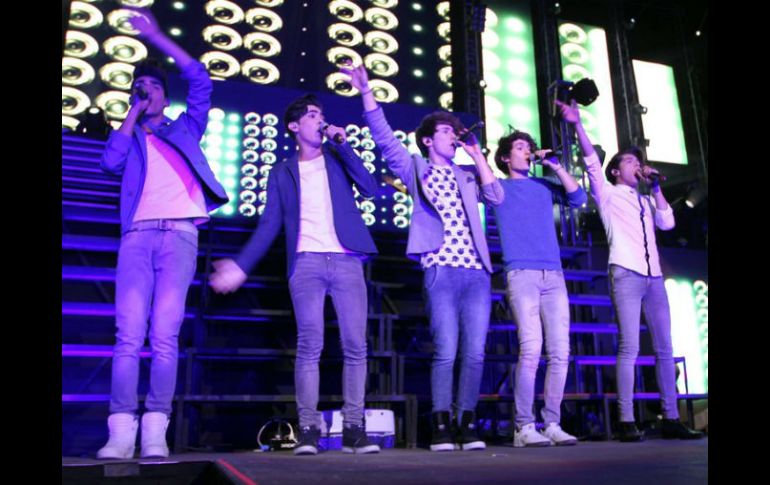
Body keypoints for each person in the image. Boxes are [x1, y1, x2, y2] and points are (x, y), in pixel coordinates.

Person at [341, 62, 503, 451]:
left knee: (475, 353)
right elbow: (383, 138)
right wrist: (366, 92)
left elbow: (496, 197)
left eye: (453, 131)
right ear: (428, 140)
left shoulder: (467, 174)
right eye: (446, 131)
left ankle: (466, 422)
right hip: (441, 269)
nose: (452, 136)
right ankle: (441, 424)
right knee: (446, 350)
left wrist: (477, 154)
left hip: (477, 272)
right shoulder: (416, 168)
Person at [208, 93, 381, 455]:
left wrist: (343, 144)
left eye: (321, 115)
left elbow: (369, 187)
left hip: (347, 259)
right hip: (305, 263)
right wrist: (241, 266)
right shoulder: (282, 171)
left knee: (355, 345)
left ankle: (354, 428)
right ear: (294, 125)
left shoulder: (337, 157)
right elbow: (270, 223)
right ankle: (308, 430)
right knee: (309, 344)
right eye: (313, 115)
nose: (320, 120)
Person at [97, 8, 228, 459]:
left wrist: (157, 38)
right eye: (140, 86)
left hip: (179, 236)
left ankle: (156, 427)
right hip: (137, 236)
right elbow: (109, 163)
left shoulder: (185, 128)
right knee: (128, 336)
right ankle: (120, 431)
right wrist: (132, 113)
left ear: (165, 97)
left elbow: (201, 80)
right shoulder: (129, 137)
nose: (146, 90)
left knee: (165, 336)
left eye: (153, 86)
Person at [557, 99, 703, 442]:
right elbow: (591, 161)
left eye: (639, 161)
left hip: (654, 278)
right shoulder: (607, 192)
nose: (637, 165)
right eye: (629, 161)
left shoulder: (647, 199)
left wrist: (656, 187)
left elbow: (667, 223)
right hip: (625, 273)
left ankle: (670, 416)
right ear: (615, 171)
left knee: (665, 348)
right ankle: (625, 418)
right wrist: (577, 124)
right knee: (629, 347)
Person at [491, 128, 586, 447]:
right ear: (506, 157)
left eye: (528, 147)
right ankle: (523, 426)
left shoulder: (544, 185)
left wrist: (556, 165)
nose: (527, 152)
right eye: (520, 147)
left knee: (560, 352)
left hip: (553, 274)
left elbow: (579, 198)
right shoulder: (499, 187)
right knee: (531, 349)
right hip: (522, 273)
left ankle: (552, 423)